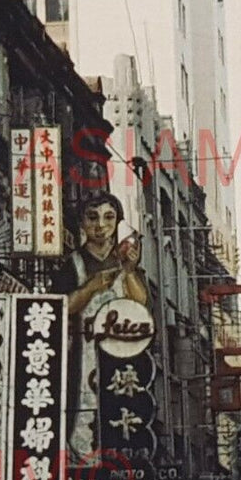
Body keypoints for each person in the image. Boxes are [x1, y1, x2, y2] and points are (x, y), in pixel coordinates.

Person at [54, 191, 150, 463]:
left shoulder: (126, 262)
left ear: (118, 222)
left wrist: (129, 271)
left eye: (109, 217)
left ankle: (119, 460)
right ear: (82, 223)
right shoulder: (72, 264)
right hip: (81, 352)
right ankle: (82, 460)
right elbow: (60, 307)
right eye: (92, 217)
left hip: (122, 350)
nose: (100, 225)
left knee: (119, 406)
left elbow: (141, 304)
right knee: (83, 408)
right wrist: (91, 288)